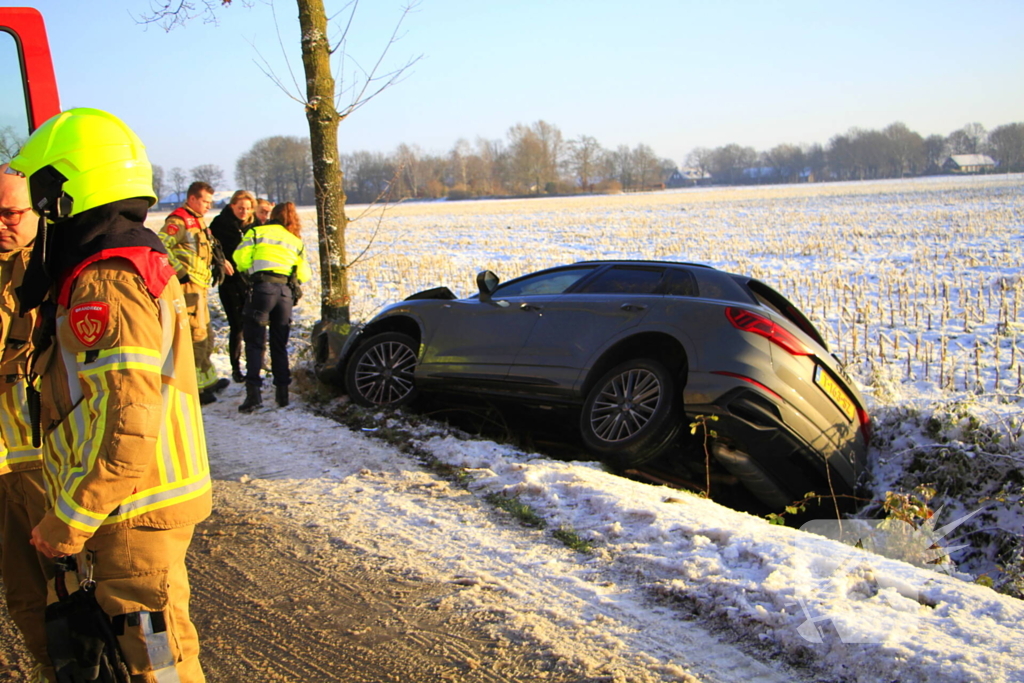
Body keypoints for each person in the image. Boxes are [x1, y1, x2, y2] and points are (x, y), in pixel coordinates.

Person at [11, 107, 211, 682]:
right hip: (136, 510)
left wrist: (70, 519)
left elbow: (128, 419)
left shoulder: (106, 279)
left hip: (130, 516)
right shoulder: (132, 260)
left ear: (67, 193)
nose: (41, 209)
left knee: (158, 670)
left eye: (44, 191)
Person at [0, 164, 53, 682]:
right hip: (4, 466)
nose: (1, 223)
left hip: (44, 464)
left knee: (75, 596)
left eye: (10, 212)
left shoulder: (55, 269)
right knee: (23, 599)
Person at [233, 201, 311, 412]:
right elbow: (304, 274)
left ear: (272, 215)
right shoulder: (295, 240)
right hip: (284, 294)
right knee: (280, 344)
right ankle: (282, 395)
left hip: (262, 290)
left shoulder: (257, 232)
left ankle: (254, 395)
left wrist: (251, 271)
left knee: (255, 343)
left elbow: (239, 258)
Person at [159, 180, 233, 404]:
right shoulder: (178, 220)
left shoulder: (198, 221)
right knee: (196, 336)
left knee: (207, 335)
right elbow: (161, 245)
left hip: (200, 286)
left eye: (211, 201)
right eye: (205, 201)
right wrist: (180, 272)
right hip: (188, 287)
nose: (209, 205)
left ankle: (207, 381)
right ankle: (194, 389)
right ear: (192, 199)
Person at [209, 190, 256, 383]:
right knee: (236, 326)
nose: (243, 212)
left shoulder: (255, 226)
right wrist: (220, 261)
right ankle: (236, 368)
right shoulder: (219, 225)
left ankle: (255, 366)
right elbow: (209, 247)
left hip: (251, 281)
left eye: (247, 209)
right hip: (229, 282)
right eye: (240, 208)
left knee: (253, 326)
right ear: (232, 207)